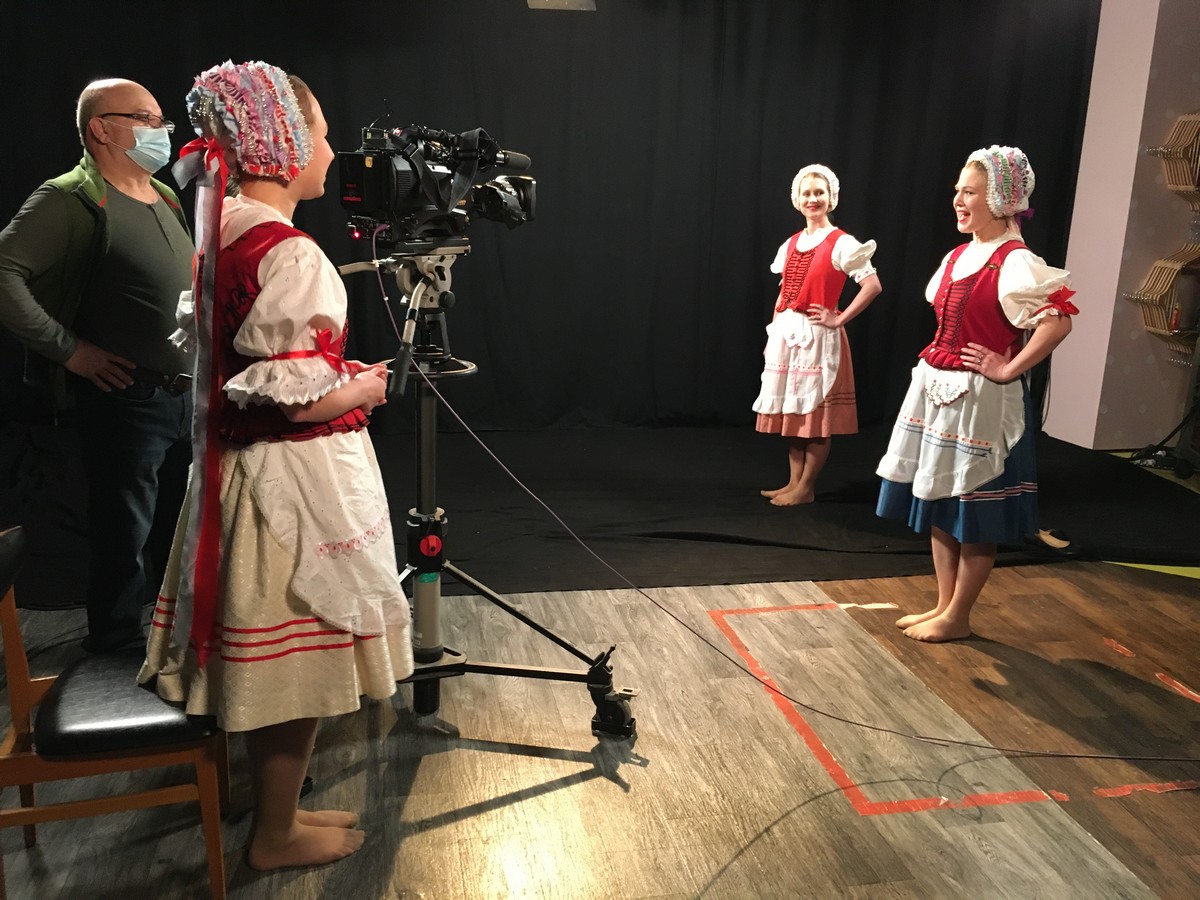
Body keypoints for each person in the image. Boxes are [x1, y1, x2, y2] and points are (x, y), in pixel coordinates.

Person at [137, 60, 413, 870]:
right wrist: (363, 386)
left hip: (234, 473)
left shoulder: (219, 226)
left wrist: (327, 379)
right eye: (322, 136)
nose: (331, 152)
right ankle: (275, 835)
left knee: (279, 658)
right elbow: (292, 404)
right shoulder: (288, 252)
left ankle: (277, 810)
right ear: (282, 145)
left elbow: (249, 369)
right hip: (286, 485)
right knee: (299, 662)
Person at [0, 78, 194, 653]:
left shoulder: (165, 194)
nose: (161, 131)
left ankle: (172, 634)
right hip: (128, 398)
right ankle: (114, 648)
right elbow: (3, 273)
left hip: (185, 394)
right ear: (100, 129)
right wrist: (71, 351)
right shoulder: (69, 199)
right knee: (124, 531)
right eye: (145, 118)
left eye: (162, 120)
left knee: (179, 526)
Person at [876, 145, 1077, 642]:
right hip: (941, 394)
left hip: (982, 404)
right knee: (942, 500)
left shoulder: (1016, 261)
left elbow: (1058, 321)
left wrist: (1007, 368)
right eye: (958, 191)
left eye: (970, 192)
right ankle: (944, 605)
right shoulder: (959, 255)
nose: (958, 200)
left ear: (1001, 199)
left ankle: (959, 615)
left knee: (975, 510)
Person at [753, 164, 882, 506]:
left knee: (814, 415)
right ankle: (793, 482)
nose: (813, 199)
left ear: (831, 198)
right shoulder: (792, 243)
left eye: (819, 192)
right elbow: (784, 293)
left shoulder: (842, 243)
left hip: (818, 340)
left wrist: (838, 319)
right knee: (793, 412)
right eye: (807, 193)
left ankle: (807, 486)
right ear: (797, 200)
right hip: (787, 336)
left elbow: (872, 286)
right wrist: (773, 335)